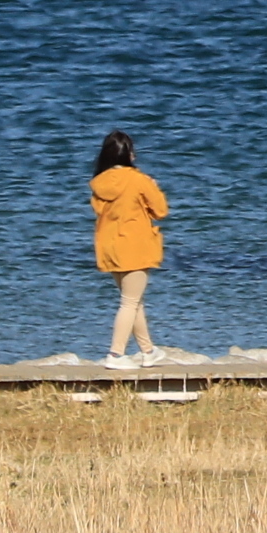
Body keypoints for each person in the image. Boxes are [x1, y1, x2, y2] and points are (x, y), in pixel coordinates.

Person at [90, 130, 170, 364]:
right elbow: (161, 211)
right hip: (134, 245)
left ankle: (148, 351)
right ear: (129, 155)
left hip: (110, 246)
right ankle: (116, 354)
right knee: (129, 302)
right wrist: (153, 187)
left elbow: (99, 210)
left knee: (133, 300)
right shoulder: (138, 179)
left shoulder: (100, 182)